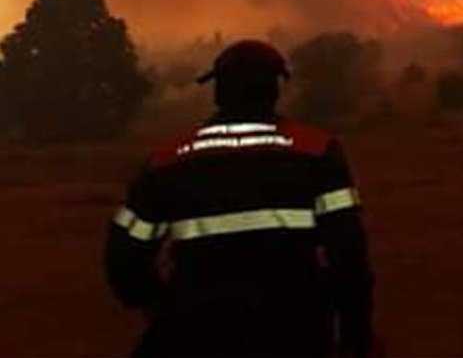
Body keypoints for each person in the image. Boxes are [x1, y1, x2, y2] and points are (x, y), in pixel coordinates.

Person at [104, 39, 374, 357]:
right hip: (295, 329)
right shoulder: (316, 151)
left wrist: (161, 307)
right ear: (275, 89)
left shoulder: (169, 162)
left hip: (197, 329)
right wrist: (356, 336)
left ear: (218, 91)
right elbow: (349, 255)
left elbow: (123, 256)